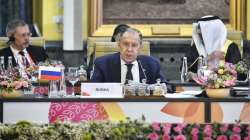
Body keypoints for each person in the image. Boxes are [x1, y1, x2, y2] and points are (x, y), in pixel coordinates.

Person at [91, 27, 171, 89]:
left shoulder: (152, 64)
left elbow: (166, 86)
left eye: (134, 45)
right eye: (125, 44)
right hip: (113, 108)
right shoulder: (102, 63)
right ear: (119, 45)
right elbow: (92, 89)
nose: (129, 49)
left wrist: (159, 88)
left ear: (140, 48)